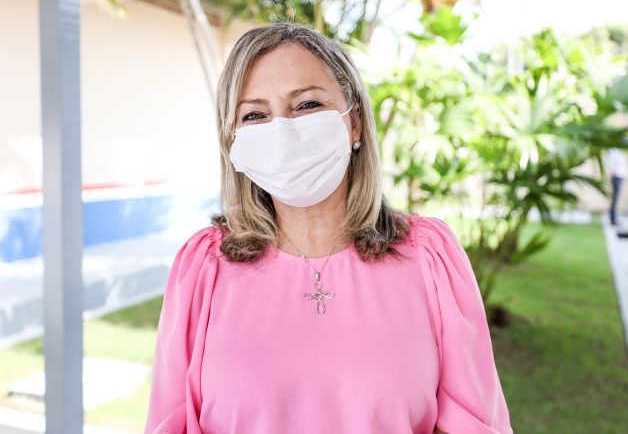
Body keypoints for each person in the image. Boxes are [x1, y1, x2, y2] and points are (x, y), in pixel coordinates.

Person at [144, 23, 512, 434]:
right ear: (234, 143)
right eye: (255, 114)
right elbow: (170, 423)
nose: (281, 129)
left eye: (306, 106)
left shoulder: (429, 256)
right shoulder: (202, 270)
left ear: (354, 122)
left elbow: (473, 423)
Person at [606, 148, 628, 226]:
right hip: (617, 177)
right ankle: (613, 218)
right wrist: (612, 175)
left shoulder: (619, 150)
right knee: (616, 198)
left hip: (620, 176)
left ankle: (614, 217)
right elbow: (611, 164)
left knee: (617, 198)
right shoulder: (612, 151)